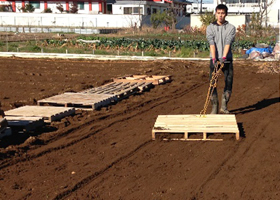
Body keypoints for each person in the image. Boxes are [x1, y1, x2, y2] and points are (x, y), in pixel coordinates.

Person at [206, 4, 236, 114]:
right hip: (214, 59)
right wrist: (214, 59)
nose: (220, 15)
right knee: (212, 83)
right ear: (215, 14)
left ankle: (224, 106)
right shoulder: (210, 28)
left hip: (227, 59)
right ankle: (214, 107)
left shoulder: (231, 28)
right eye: (218, 13)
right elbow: (211, 43)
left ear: (226, 14)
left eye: (222, 13)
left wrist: (224, 57)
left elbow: (228, 42)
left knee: (228, 82)